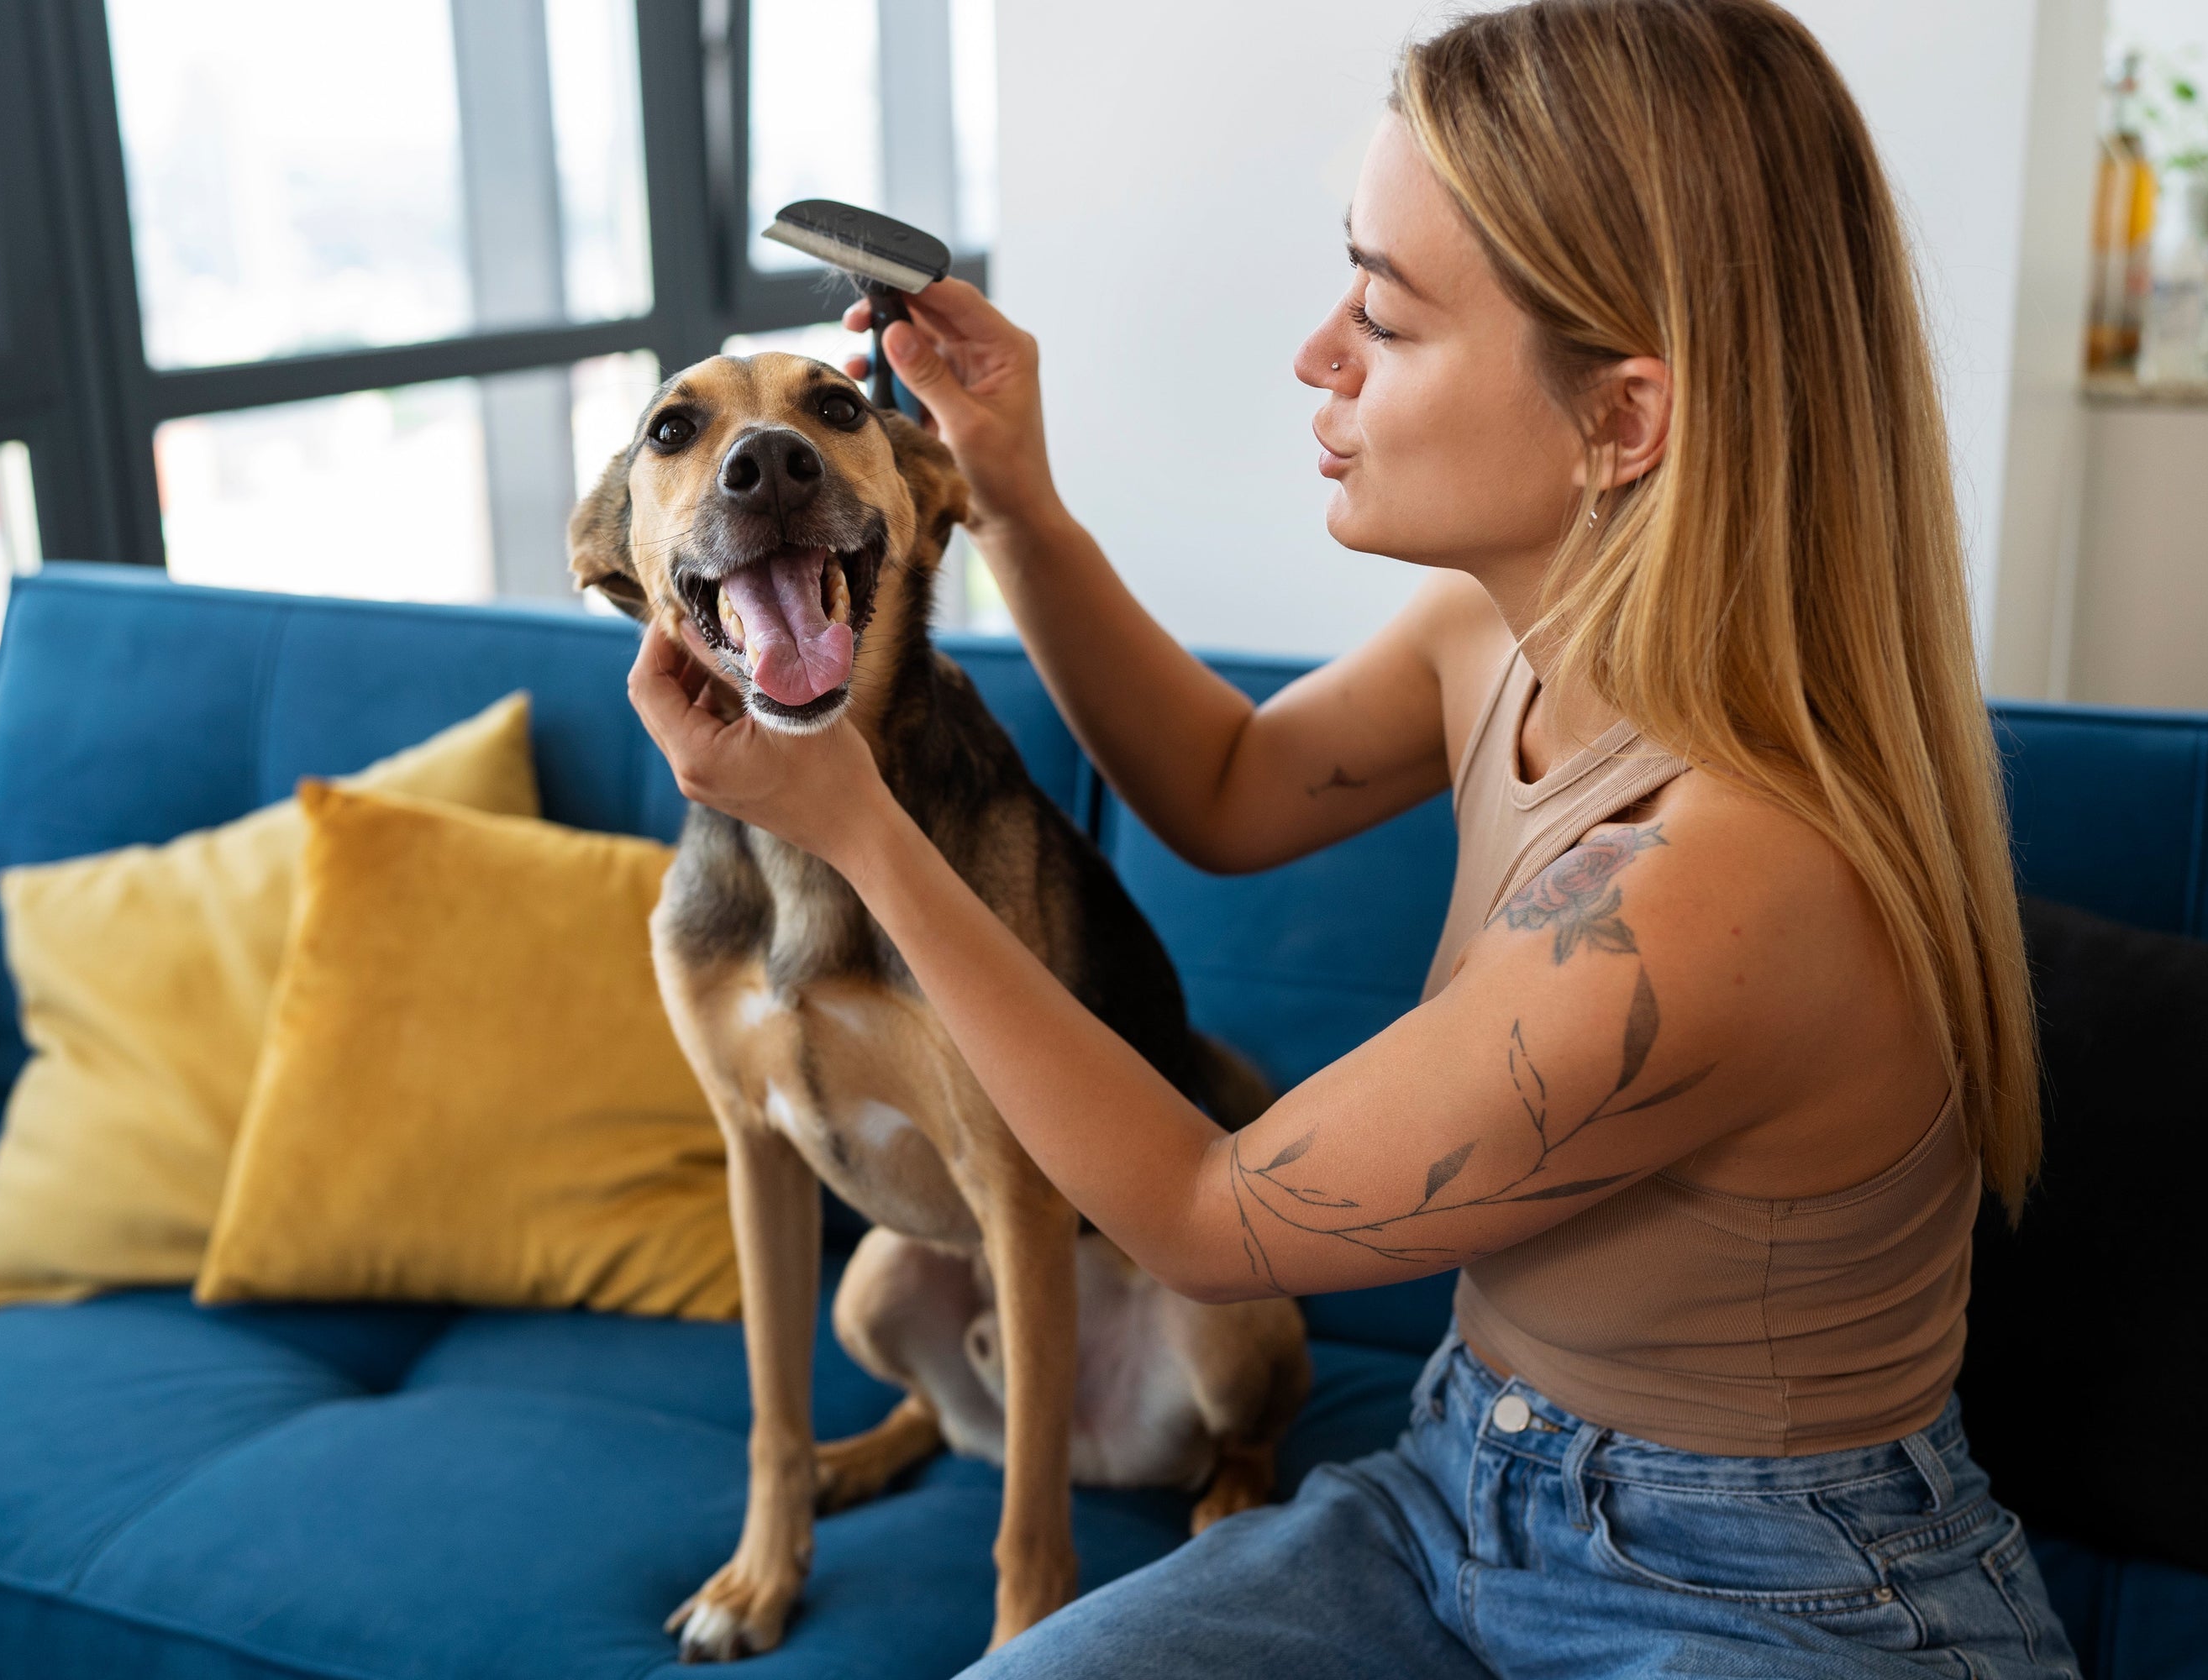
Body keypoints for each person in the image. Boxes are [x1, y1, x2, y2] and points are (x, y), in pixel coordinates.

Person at [627, 2, 2079, 1674]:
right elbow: (1230, 786)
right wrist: (1011, 490)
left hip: (1778, 1587)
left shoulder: (1728, 878)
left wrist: (861, 829)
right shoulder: (1502, 638)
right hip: (1460, 1479)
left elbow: (1200, 1209)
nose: (1319, 353)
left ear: (1622, 419)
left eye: (1382, 314)